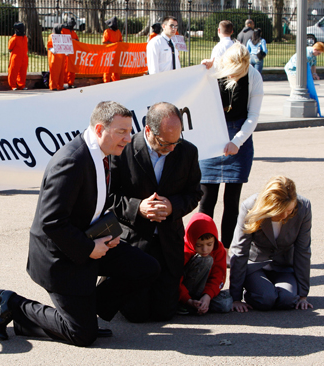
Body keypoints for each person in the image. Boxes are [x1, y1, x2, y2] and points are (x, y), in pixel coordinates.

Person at [0, 101, 159, 347]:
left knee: (146, 268)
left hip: (89, 239)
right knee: (82, 335)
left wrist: (107, 233)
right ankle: (14, 304)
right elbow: (52, 222)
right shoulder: (71, 161)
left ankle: (86, 311)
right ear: (100, 129)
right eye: (122, 131)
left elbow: (95, 204)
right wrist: (90, 249)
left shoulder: (103, 153)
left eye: (130, 131)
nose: (129, 138)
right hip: (60, 254)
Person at [110, 102, 203, 322]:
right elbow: (108, 198)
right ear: (148, 131)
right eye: (164, 143)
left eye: (176, 141)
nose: (171, 148)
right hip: (134, 241)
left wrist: (173, 206)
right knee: (136, 315)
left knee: (164, 313)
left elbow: (194, 194)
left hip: (168, 244)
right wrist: (138, 208)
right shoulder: (123, 150)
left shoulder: (187, 151)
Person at [199, 43, 264, 264]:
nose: (234, 75)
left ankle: (225, 250)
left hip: (239, 136)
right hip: (213, 134)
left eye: (238, 72)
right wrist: (203, 69)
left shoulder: (254, 77)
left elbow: (253, 116)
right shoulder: (216, 68)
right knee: (206, 198)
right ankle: (201, 247)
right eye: (231, 71)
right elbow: (195, 91)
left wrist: (237, 141)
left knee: (232, 200)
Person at [230, 176, 312, 312]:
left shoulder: (304, 208)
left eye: (290, 210)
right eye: (281, 211)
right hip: (255, 265)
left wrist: (303, 295)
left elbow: (303, 251)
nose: (285, 216)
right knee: (266, 299)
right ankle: (254, 289)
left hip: (284, 267)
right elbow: (239, 250)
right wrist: (235, 298)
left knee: (288, 300)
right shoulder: (250, 206)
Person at [178, 213, 232, 315]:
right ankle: (186, 303)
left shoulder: (219, 249)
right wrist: (187, 299)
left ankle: (200, 304)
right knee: (205, 259)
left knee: (225, 304)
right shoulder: (183, 249)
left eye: (209, 244)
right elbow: (176, 278)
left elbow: (218, 276)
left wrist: (207, 296)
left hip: (203, 290)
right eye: (199, 245)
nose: (204, 249)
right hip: (184, 291)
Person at [8, 22, 28, 91]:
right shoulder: (14, 38)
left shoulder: (24, 37)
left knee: (23, 72)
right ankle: (12, 85)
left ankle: (21, 85)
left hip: (24, 56)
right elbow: (10, 48)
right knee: (13, 71)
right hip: (16, 57)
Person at [102, 16, 123, 83]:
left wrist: (116, 44)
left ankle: (115, 81)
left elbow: (120, 41)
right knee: (108, 68)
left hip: (115, 53)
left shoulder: (117, 31)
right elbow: (105, 42)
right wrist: (114, 44)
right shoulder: (107, 31)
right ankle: (106, 81)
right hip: (109, 53)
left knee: (115, 68)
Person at [47, 24, 66, 91]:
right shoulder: (51, 36)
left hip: (61, 56)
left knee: (61, 72)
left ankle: (60, 85)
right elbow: (49, 46)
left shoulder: (62, 36)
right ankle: (53, 86)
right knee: (54, 72)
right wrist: (53, 50)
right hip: (54, 56)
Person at [62, 18, 79, 88]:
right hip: (65, 53)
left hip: (72, 53)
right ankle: (62, 82)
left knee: (72, 69)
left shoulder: (73, 32)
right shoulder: (63, 30)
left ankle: (70, 83)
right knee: (64, 68)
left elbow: (77, 41)